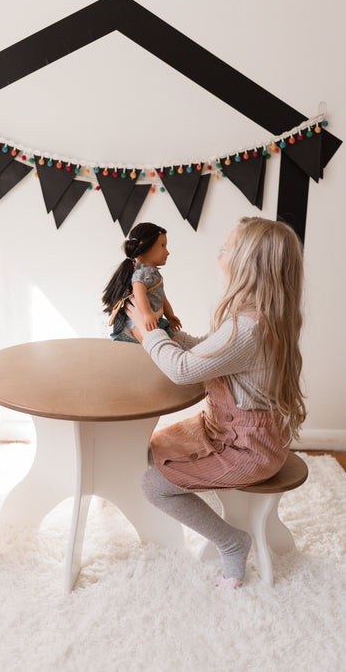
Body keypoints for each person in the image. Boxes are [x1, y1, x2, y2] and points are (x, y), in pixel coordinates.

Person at [126, 216, 306, 588]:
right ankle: (201, 501)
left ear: (246, 266)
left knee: (153, 486)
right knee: (152, 447)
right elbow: (210, 349)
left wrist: (147, 334)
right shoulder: (262, 317)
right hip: (230, 430)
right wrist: (168, 331)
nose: (218, 256)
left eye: (225, 250)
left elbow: (181, 369)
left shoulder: (248, 329)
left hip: (247, 449)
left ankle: (232, 542)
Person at [102, 222, 183, 345]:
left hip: (156, 320)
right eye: (162, 246)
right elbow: (139, 294)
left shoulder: (153, 274)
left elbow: (162, 297)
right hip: (144, 322)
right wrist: (147, 314)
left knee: (175, 344)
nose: (167, 252)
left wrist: (170, 315)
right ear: (144, 246)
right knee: (171, 344)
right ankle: (140, 334)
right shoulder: (141, 274)